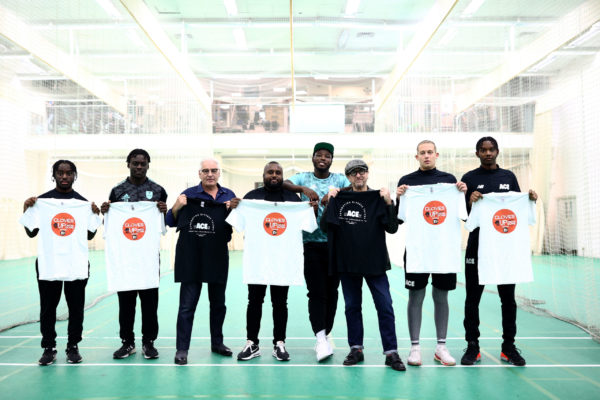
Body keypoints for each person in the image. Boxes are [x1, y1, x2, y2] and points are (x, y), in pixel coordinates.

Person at [460, 137, 538, 366]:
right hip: (477, 247)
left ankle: (508, 347)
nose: (487, 153)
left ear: (497, 151)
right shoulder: (469, 179)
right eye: (483, 150)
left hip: (505, 249)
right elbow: (464, 216)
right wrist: (470, 202)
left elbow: (516, 209)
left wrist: (530, 200)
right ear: (477, 153)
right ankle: (472, 346)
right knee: (472, 298)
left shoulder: (508, 177)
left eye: (491, 149)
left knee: (508, 300)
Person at [324, 160, 405, 371]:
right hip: (347, 262)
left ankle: (391, 352)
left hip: (375, 263)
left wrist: (389, 203)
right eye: (353, 173)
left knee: (385, 306)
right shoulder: (339, 197)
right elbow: (325, 226)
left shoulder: (377, 197)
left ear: (367, 174)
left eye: (362, 172)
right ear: (348, 177)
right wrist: (330, 200)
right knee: (352, 308)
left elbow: (392, 228)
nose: (358, 176)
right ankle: (356, 349)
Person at [21, 160, 100, 365]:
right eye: (60, 173)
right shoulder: (42, 201)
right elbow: (31, 232)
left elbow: (90, 235)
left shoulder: (83, 203)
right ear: (53, 175)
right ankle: (49, 347)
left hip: (76, 264)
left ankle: (73, 346)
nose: (64, 177)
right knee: (48, 308)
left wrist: (94, 213)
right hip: (49, 264)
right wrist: (26, 208)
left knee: (76, 308)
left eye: (68, 173)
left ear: (75, 176)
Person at [396, 140, 467, 367]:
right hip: (417, 251)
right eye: (422, 153)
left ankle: (441, 347)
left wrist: (462, 193)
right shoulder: (407, 183)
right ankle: (415, 348)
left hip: (444, 251)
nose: (426, 156)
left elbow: (464, 216)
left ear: (436, 154)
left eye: (430, 152)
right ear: (416, 156)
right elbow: (398, 218)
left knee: (441, 297)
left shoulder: (450, 182)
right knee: (415, 297)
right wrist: (399, 197)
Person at [283, 142, 350, 361]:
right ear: (312, 157)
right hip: (310, 244)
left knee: (332, 292)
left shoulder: (339, 179)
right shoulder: (303, 177)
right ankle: (320, 337)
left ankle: (326, 332)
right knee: (316, 292)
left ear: (332, 159)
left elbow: (355, 186)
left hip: (335, 244)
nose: (323, 158)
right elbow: (285, 183)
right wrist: (303, 190)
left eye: (327, 155)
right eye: (319, 155)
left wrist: (335, 192)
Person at [229, 162, 302, 362]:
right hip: (257, 261)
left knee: (280, 303)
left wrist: (310, 208)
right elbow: (237, 224)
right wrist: (236, 206)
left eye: (278, 172)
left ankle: (280, 343)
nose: (274, 175)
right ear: (263, 175)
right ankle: (252, 343)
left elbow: (306, 225)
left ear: (282, 176)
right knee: (254, 302)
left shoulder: (292, 199)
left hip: (282, 261)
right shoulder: (251, 198)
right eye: (270, 172)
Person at [166, 158, 236, 365]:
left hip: (217, 256)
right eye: (205, 171)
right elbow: (170, 220)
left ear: (219, 172)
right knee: (187, 306)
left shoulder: (228, 196)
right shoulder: (188, 195)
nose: (210, 174)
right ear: (199, 174)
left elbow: (238, 222)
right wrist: (177, 206)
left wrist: (234, 207)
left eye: (214, 170)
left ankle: (217, 343)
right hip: (191, 258)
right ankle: (182, 349)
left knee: (218, 304)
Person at [100, 149, 167, 360]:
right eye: (135, 163)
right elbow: (110, 224)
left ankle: (149, 343)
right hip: (124, 259)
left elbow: (163, 223)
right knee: (126, 304)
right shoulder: (117, 191)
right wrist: (105, 211)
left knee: (150, 304)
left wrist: (163, 211)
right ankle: (127, 342)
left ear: (148, 165)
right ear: (127, 163)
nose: (139, 167)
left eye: (143, 163)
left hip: (148, 259)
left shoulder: (158, 191)